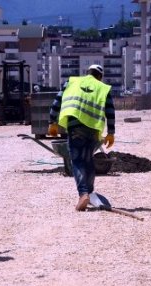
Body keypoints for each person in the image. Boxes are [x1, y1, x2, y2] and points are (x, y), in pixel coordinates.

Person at [48, 64, 115, 211]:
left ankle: (83, 194)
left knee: (77, 161)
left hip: (75, 127)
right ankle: (89, 193)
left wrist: (52, 122)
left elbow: (57, 101)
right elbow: (110, 110)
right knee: (88, 160)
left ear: (87, 73)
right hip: (93, 129)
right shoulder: (102, 87)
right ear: (100, 76)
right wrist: (111, 132)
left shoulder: (72, 82)